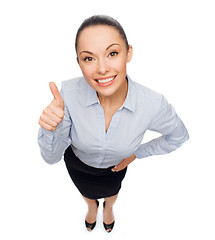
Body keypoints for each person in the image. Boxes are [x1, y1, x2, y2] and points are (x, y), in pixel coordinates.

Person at [38, 15, 189, 233]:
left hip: (115, 167)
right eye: (89, 58)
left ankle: (108, 209)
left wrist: (137, 153)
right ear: (79, 63)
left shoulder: (153, 104)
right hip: (78, 165)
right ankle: (91, 208)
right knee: (87, 194)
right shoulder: (68, 94)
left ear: (128, 53)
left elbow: (179, 136)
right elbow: (51, 158)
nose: (102, 69)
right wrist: (50, 128)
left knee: (112, 192)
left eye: (112, 53)